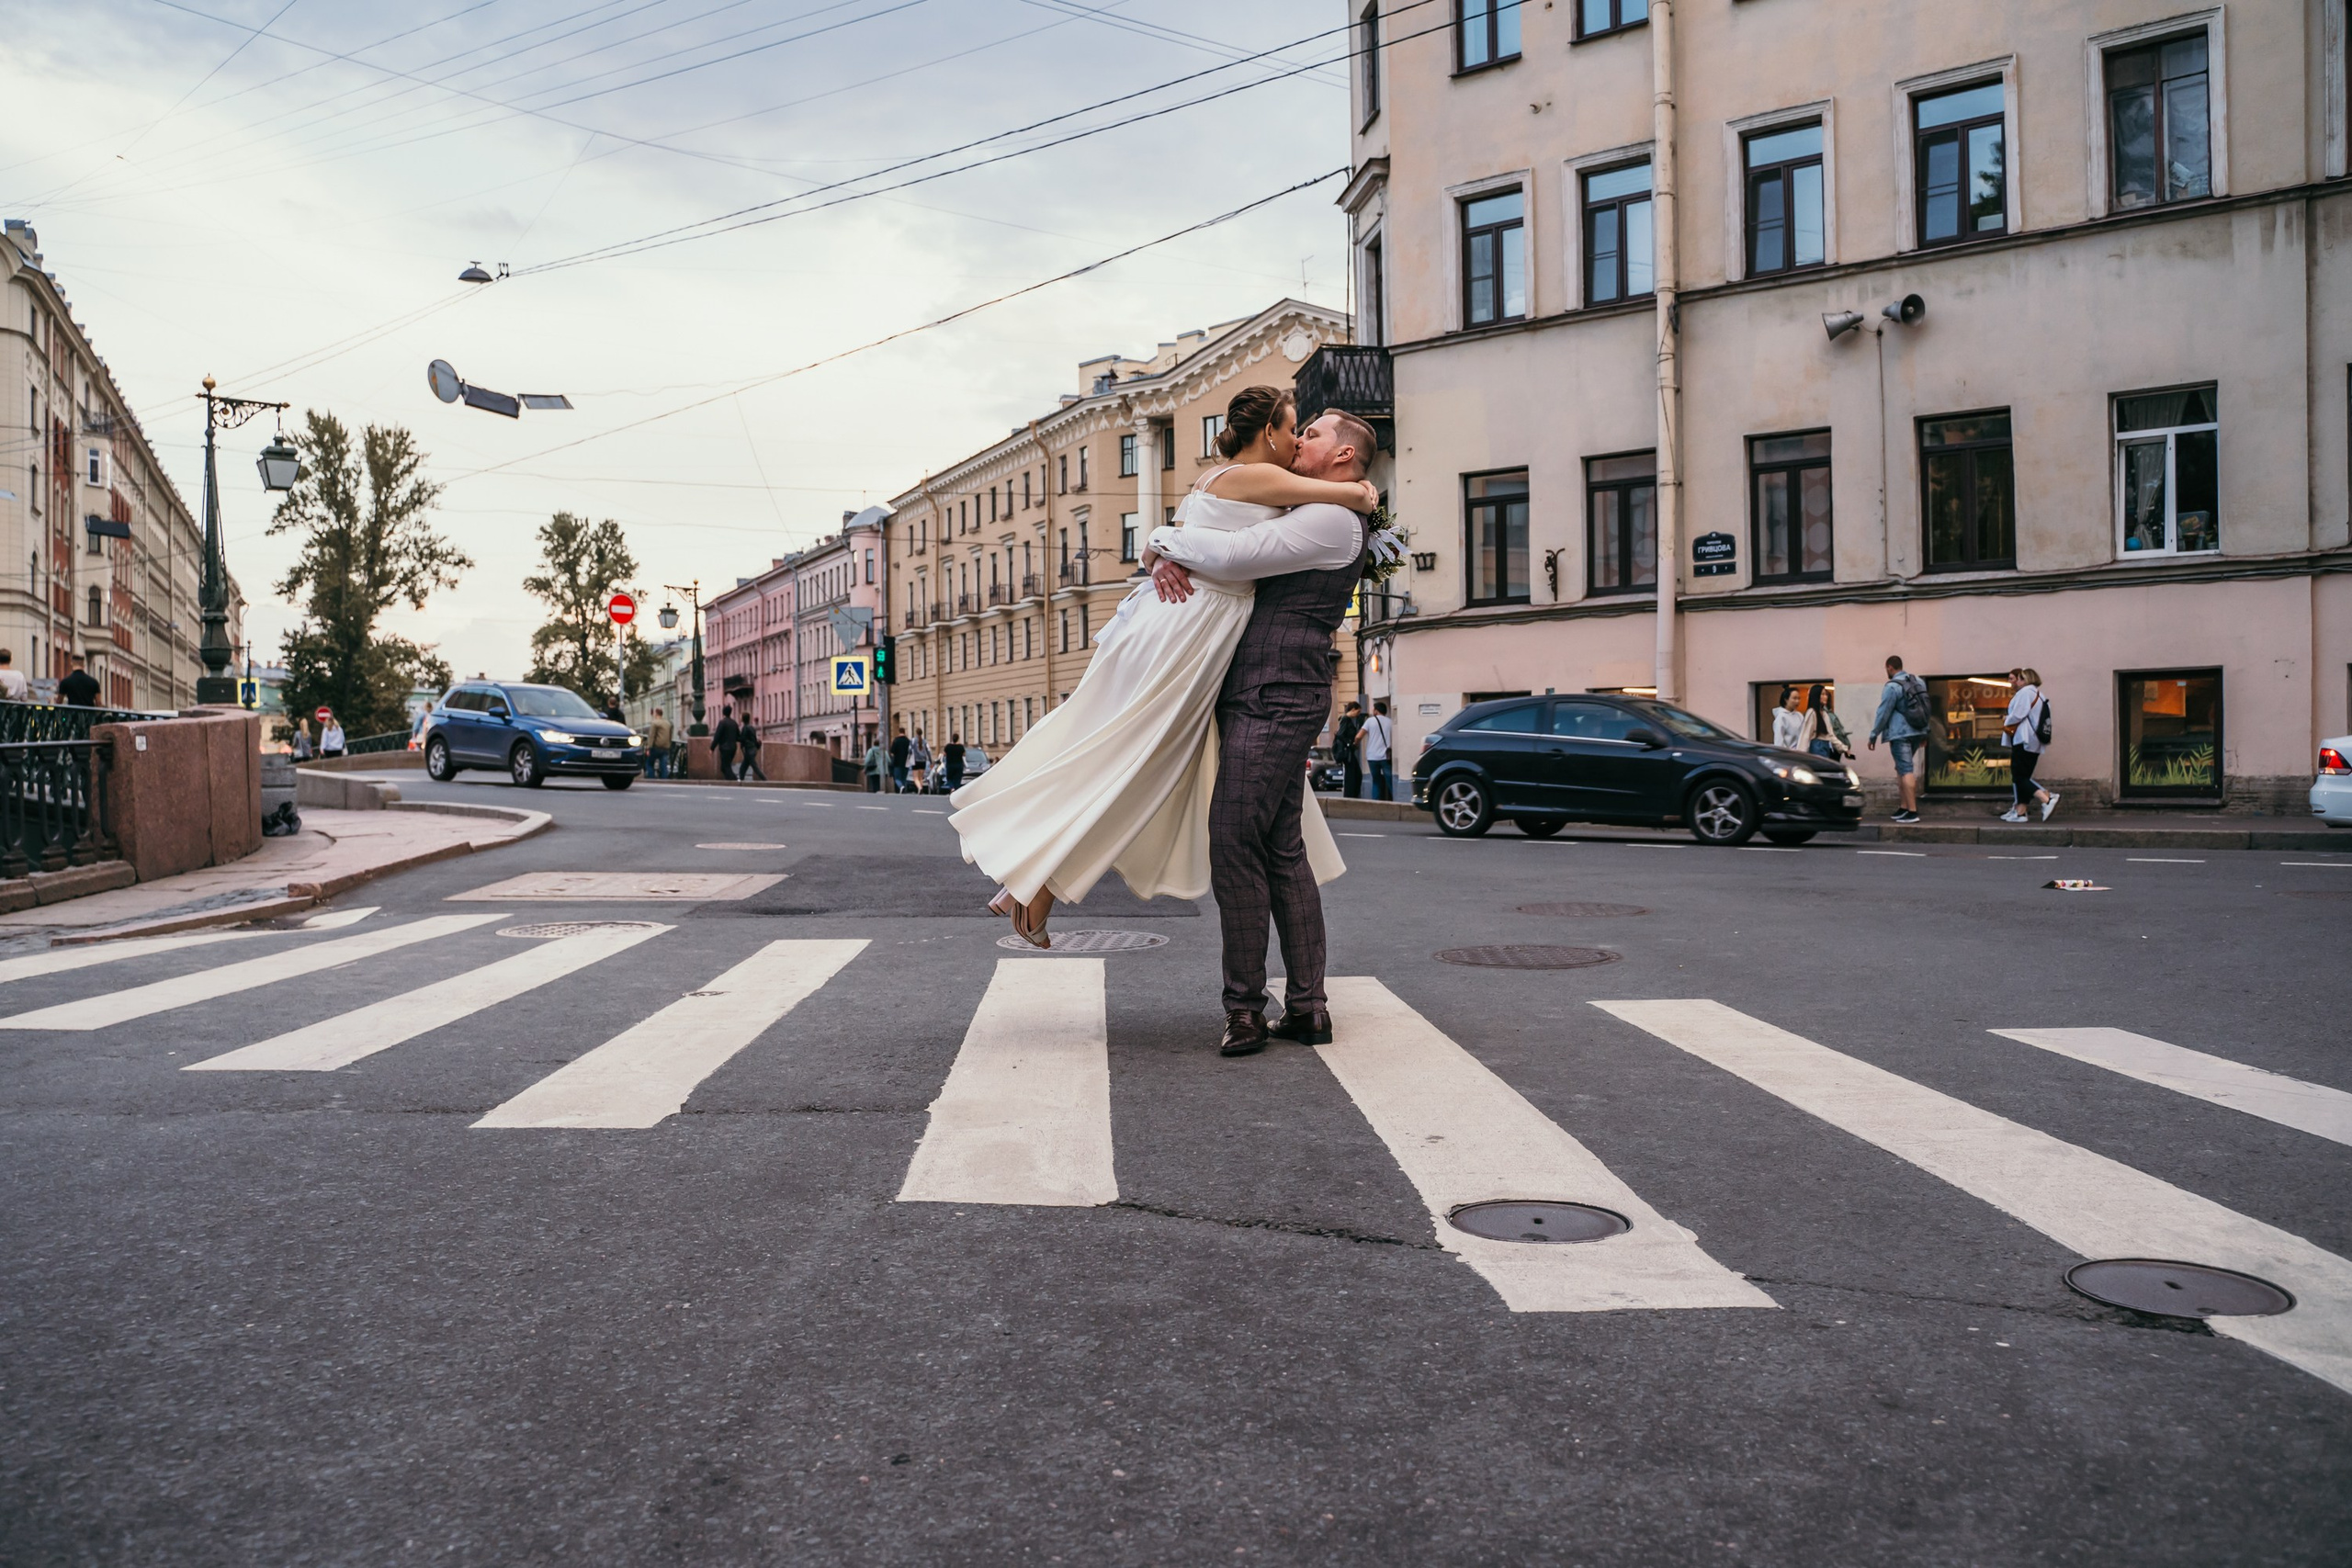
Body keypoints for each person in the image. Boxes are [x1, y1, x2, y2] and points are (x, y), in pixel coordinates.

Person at [948, 385, 1378, 1056]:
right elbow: (1222, 536)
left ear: (1344, 455)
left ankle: (1246, 1009)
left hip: (1277, 692)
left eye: (1313, 434)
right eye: (1298, 428)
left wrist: (1162, 542)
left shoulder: (1332, 518)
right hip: (1239, 683)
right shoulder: (1304, 500)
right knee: (1276, 845)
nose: (1301, 440)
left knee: (1233, 837)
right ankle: (1305, 1006)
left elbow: (1233, 555)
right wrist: (1159, 550)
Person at [1867, 655, 1929, 824]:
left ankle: (1912, 811)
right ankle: (1904, 807)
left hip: (1900, 734)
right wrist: (1925, 732)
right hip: (1917, 731)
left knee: (1906, 769)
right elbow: (1925, 708)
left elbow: (1883, 713)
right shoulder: (1918, 682)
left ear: (1889, 667)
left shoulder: (1892, 686)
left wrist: (1874, 734)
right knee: (1901, 768)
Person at [2001, 667, 2059, 822]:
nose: (2017, 681)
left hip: (2024, 739)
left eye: (2020, 678)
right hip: (2035, 741)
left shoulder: (2025, 693)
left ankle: (2047, 798)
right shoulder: (2039, 695)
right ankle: (2020, 812)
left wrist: (2006, 720)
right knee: (2024, 776)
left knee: (2019, 776)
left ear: (2025, 680)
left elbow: (2018, 714)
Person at [1801, 683, 1849, 761]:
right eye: (1822, 694)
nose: (1825, 697)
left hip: (1825, 747)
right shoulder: (1812, 713)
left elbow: (1830, 735)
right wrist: (1801, 756)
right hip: (1816, 746)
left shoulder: (1824, 714)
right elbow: (1805, 735)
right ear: (1816, 696)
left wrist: (1843, 748)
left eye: (1826, 694)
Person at [1360, 698, 1395, 803]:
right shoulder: (1390, 722)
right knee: (1390, 780)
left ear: (1376, 710)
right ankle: (1395, 800)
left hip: (1372, 756)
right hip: (1385, 757)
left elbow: (1359, 736)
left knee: (1376, 781)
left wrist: (1355, 743)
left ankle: (1375, 802)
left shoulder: (1370, 721)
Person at [1333, 700, 1364, 798]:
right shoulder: (1345, 719)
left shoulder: (1348, 720)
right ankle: (1350, 796)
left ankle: (1351, 795)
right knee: (1353, 775)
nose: (1358, 714)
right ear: (1353, 709)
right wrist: (1349, 744)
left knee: (1354, 774)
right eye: (1358, 712)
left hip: (1349, 751)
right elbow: (1340, 734)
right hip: (1347, 751)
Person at [1770, 685, 1806, 750]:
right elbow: (1779, 740)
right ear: (1786, 699)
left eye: (1799, 698)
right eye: (1794, 698)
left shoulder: (1799, 716)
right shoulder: (1781, 717)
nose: (1797, 701)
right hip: (1788, 753)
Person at [645, 706, 673, 779]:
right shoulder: (668, 723)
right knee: (663, 766)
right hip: (665, 747)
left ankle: (652, 779)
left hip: (656, 747)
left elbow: (651, 736)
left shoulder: (654, 723)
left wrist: (648, 747)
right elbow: (670, 736)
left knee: (649, 764)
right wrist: (669, 745)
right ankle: (664, 780)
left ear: (656, 713)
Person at [737, 713, 766, 781]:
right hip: (753, 749)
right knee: (743, 767)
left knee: (755, 767)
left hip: (749, 750)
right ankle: (740, 779)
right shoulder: (752, 727)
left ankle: (765, 780)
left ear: (743, 719)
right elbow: (754, 739)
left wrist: (736, 737)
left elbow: (743, 739)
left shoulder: (745, 728)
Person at [714, 705, 740, 780]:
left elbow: (717, 736)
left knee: (725, 767)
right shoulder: (734, 723)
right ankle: (730, 780)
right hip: (733, 748)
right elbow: (738, 736)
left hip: (725, 748)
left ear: (723, 712)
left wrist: (712, 748)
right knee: (726, 766)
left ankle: (734, 779)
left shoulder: (722, 723)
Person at [889, 730, 912, 794]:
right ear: (905, 732)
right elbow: (910, 751)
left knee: (897, 778)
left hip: (897, 762)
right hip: (906, 762)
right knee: (904, 778)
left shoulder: (896, 741)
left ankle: (901, 786)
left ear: (899, 732)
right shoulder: (908, 741)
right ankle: (903, 789)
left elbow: (892, 751)